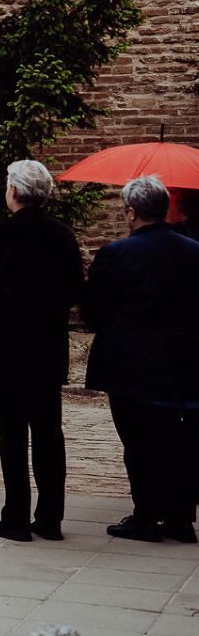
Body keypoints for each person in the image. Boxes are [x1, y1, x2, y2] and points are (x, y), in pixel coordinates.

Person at [82, 174, 199, 543]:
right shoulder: (195, 251)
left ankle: (146, 515)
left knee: (139, 442)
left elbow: (92, 313)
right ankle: (182, 519)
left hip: (131, 365)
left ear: (131, 212)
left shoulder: (116, 255)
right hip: (185, 363)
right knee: (182, 442)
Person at [0, 159, 83, 543]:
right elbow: (75, 289)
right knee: (49, 432)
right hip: (46, 344)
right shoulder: (63, 235)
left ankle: (16, 515)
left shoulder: (1, 233)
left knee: (13, 435)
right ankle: (51, 517)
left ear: (14, 191)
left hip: (6, 346)